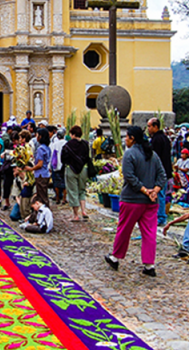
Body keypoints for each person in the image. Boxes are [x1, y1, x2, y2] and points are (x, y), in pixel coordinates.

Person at [104, 126, 166, 277]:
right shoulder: (152, 155)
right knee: (150, 233)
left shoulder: (130, 154)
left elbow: (129, 177)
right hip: (150, 202)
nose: (125, 139)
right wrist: (154, 191)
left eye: (127, 137)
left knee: (124, 229)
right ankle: (149, 264)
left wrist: (145, 190)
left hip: (132, 199)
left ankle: (115, 257)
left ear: (132, 138)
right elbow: (162, 175)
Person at [61, 125, 95, 221]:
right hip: (83, 169)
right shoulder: (85, 144)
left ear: (73, 134)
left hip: (71, 169)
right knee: (82, 190)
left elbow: (63, 158)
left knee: (73, 191)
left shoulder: (67, 145)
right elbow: (88, 156)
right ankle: (83, 210)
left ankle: (75, 215)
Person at [148, 118, 172, 227]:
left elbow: (154, 157)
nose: (148, 129)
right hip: (166, 169)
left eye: (149, 126)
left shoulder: (156, 140)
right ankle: (161, 216)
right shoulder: (165, 138)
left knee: (159, 194)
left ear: (155, 126)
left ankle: (160, 217)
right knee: (161, 194)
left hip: (160, 171)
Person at [24, 128, 51, 207]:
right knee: (43, 194)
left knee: (42, 196)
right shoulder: (47, 148)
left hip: (40, 174)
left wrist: (31, 169)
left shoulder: (40, 149)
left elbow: (40, 164)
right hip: (45, 173)